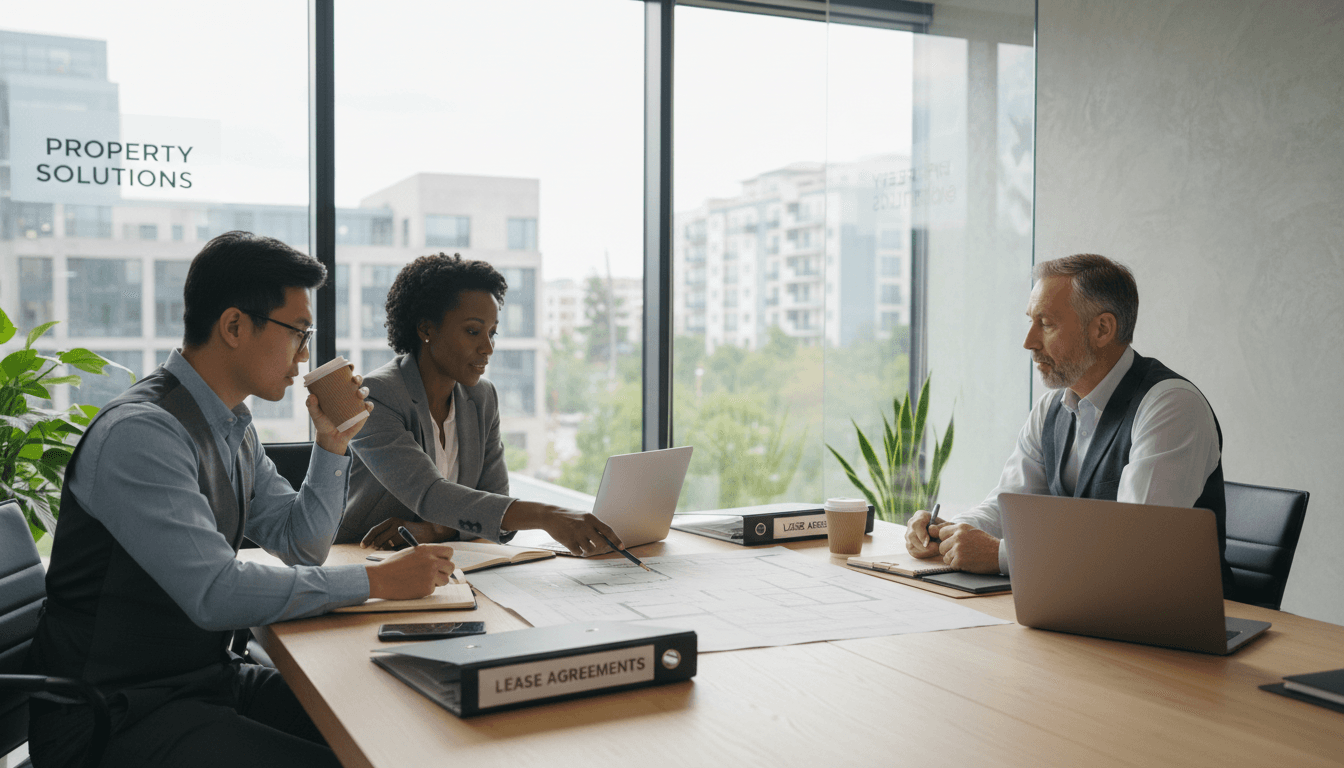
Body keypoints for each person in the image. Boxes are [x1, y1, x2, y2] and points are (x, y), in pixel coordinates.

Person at [25, 231, 457, 768]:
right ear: (233, 326)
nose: (305, 354)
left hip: (202, 683)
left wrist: (331, 445)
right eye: (298, 332)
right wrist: (376, 582)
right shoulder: (142, 434)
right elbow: (216, 592)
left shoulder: (233, 428)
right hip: (113, 716)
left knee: (391, 725)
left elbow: (302, 544)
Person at [905, 253, 1232, 587]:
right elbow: (1009, 507)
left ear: (1102, 329)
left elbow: (1136, 548)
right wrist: (946, 532)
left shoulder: (1171, 407)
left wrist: (1001, 555)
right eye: (1031, 322)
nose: (1029, 342)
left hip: (1175, 612)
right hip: (1085, 602)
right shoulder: (1051, 408)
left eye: (1046, 324)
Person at [336, 252, 622, 556]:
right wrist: (547, 515)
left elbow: (495, 500)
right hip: (360, 557)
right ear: (426, 329)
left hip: (442, 557)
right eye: (473, 331)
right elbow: (431, 495)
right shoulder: (376, 396)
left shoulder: (481, 398)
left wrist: (435, 531)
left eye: (492, 333)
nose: (488, 347)